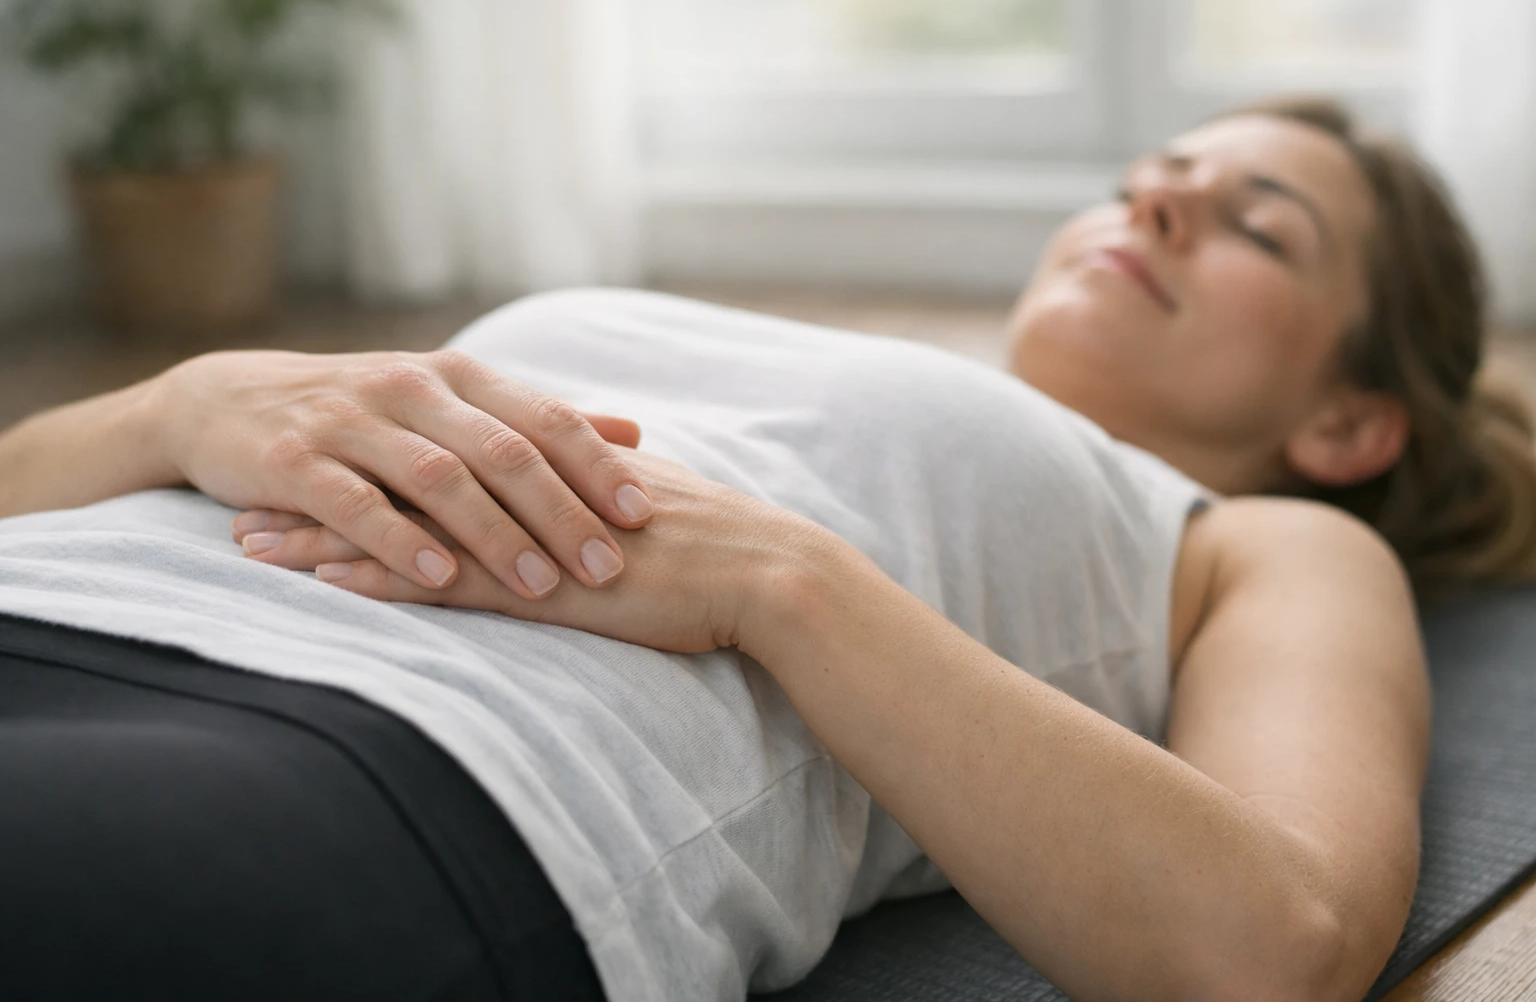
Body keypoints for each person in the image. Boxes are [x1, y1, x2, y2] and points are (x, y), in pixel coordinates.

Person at [1, 97, 1532, 1002]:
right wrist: (184, 401)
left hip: (393, 758)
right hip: (64, 594)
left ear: (1348, 422)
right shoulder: (793, 348)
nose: (1163, 198)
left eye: (1257, 224)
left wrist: (772, 581)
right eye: (1152, 180)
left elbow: (1277, 941)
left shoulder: (1255, 542)